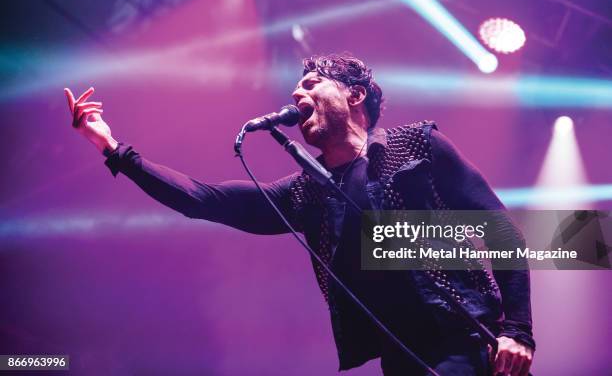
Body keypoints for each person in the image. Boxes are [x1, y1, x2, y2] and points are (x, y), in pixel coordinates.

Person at [65, 53, 534, 375]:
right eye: (295, 87)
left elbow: (501, 228)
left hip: (468, 345)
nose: (295, 93)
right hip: (401, 360)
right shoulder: (306, 195)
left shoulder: (417, 146)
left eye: (310, 84)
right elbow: (203, 199)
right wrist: (113, 149)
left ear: (354, 95)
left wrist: (518, 330)